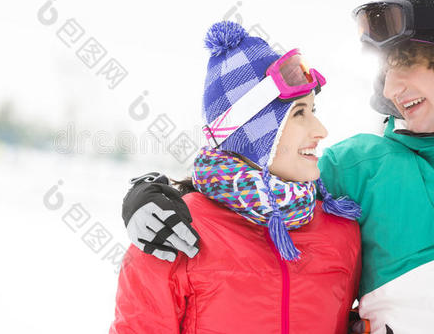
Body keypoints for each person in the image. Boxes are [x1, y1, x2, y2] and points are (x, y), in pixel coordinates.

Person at [119, 0, 434, 334]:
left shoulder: (337, 231)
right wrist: (147, 197)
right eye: (386, 71)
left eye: (405, 65)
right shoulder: (359, 168)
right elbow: (256, 178)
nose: (388, 89)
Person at [110, 21, 362, 334]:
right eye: (299, 113)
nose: (320, 130)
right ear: (253, 134)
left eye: (314, 109)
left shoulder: (343, 231)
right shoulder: (173, 234)